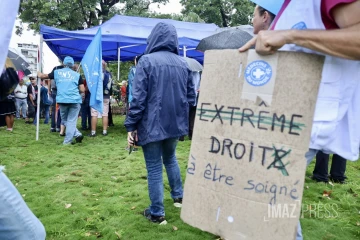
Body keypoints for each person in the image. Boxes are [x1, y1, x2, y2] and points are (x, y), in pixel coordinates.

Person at [240, 0, 360, 239]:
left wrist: (290, 35)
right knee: (267, 205)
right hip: (285, 120)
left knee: (265, 205)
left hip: (304, 120)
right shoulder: (290, 5)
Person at [124, 22, 196, 224]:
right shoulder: (184, 63)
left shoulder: (146, 62)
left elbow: (137, 99)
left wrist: (131, 125)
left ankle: (157, 213)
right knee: (170, 159)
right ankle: (178, 196)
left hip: (152, 124)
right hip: (174, 124)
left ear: (153, 37)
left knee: (155, 167)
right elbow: (191, 97)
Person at [38, 56, 85, 145]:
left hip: (62, 99)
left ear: (63, 63)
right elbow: (82, 89)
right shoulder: (77, 75)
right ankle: (76, 135)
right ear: (72, 65)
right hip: (75, 100)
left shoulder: (56, 72)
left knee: (65, 120)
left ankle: (68, 141)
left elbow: (44, 76)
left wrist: (39, 74)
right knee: (70, 121)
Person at [88, 60, 112, 137]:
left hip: (95, 96)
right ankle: (104, 131)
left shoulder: (94, 74)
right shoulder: (109, 74)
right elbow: (110, 86)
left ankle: (93, 132)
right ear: (104, 65)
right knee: (105, 114)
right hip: (105, 96)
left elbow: (91, 85)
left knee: (94, 114)